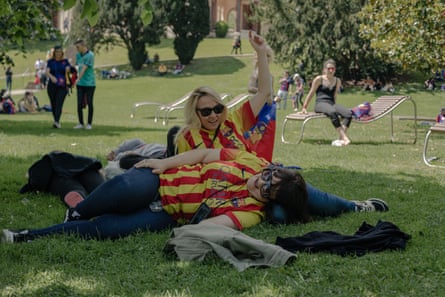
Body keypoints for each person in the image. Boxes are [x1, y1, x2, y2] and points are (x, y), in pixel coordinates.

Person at [2, 148, 387, 243]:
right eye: (268, 175)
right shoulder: (248, 161)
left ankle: (24, 236)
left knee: (107, 230)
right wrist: (165, 164)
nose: (261, 182)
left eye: (269, 187)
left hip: (169, 213)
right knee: (122, 184)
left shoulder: (252, 212)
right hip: (162, 184)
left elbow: (212, 226)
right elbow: (203, 155)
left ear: (271, 201)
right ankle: (76, 211)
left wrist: (190, 229)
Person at [175, 31, 275, 162]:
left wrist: (261, 52)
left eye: (217, 109)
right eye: (206, 112)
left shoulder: (233, 121)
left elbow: (264, 92)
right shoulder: (187, 137)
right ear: (195, 113)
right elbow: (183, 171)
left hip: (251, 176)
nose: (213, 115)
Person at [301, 59, 353, 146]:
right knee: (332, 112)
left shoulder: (337, 81)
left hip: (331, 104)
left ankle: (341, 139)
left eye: (333, 68)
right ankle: (345, 138)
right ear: (324, 69)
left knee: (348, 114)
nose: (331, 70)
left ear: (335, 70)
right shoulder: (319, 79)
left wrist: (337, 109)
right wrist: (304, 107)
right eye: (329, 68)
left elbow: (335, 96)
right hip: (320, 104)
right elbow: (311, 93)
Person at [46, 45, 72, 128]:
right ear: (54, 53)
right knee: (53, 104)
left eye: (60, 52)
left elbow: (68, 72)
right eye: (57, 52)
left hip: (62, 86)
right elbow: (47, 72)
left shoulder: (65, 61)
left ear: (62, 53)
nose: (58, 54)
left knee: (59, 103)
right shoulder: (50, 62)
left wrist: (68, 70)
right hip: (52, 85)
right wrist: (51, 77)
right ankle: (55, 120)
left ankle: (57, 121)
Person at [74, 39, 96, 130]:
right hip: (81, 84)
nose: (77, 49)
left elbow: (84, 68)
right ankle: (80, 123)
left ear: (83, 46)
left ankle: (89, 123)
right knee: (79, 103)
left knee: (90, 103)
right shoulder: (78, 55)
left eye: (78, 47)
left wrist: (77, 79)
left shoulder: (90, 55)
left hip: (90, 83)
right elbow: (76, 66)